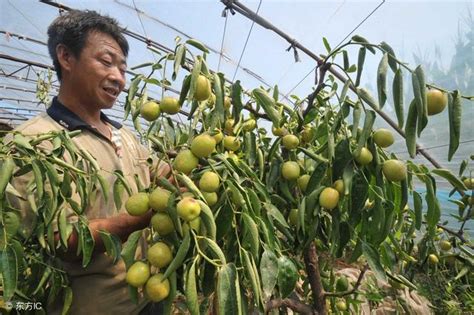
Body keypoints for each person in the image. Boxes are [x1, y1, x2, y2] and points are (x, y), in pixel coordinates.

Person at [6, 10, 166, 315]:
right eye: (106, 62)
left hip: (148, 297)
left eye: (122, 68)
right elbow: (59, 241)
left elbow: (157, 176)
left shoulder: (124, 135)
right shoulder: (32, 143)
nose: (119, 77)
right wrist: (141, 220)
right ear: (66, 57)